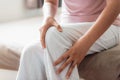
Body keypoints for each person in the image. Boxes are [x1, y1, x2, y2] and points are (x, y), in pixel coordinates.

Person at [16, 0, 120, 80]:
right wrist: (48, 17)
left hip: (108, 28)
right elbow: (50, 2)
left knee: (54, 36)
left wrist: (85, 43)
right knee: (30, 52)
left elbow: (115, 5)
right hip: (67, 28)